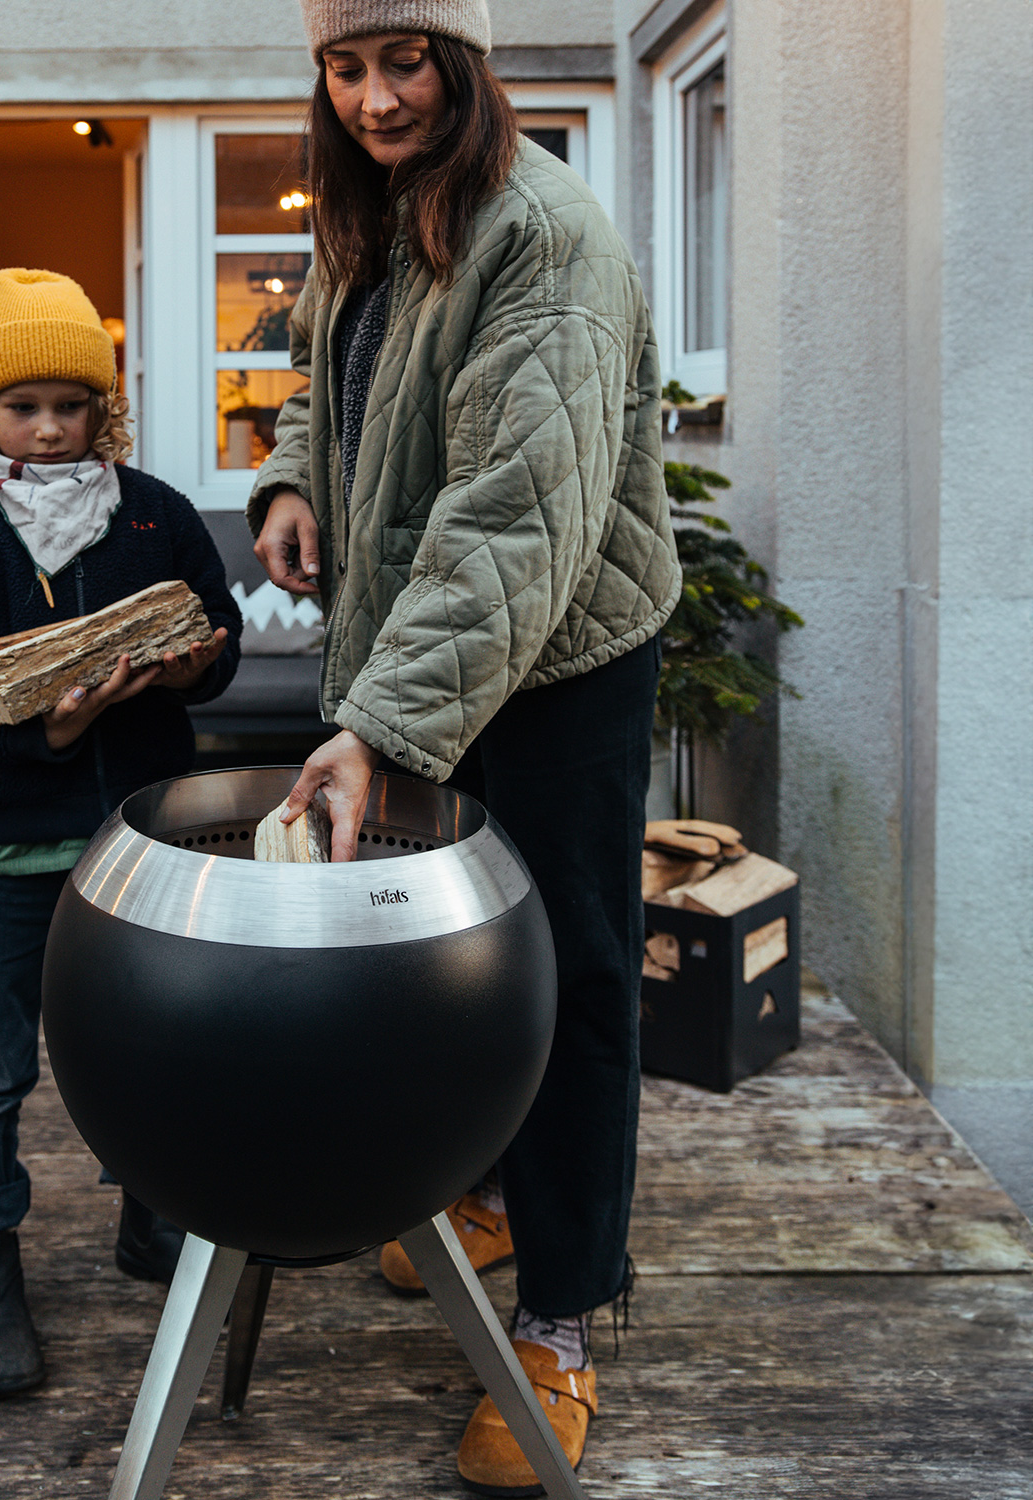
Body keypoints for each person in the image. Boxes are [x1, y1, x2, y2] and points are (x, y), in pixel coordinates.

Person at [251, 4, 680, 1492]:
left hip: (561, 656)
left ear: (468, 60)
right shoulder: (372, 209)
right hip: (435, 653)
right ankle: (489, 1188)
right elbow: (332, 369)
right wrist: (296, 478)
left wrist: (376, 723)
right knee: (449, 952)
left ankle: (562, 1320)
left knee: (568, 973)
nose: (374, 98)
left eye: (405, 60)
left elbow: (513, 519)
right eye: (344, 66)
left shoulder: (543, 235)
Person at [0, 268, 242, 1398]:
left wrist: (197, 660)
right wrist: (47, 727)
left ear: (106, 412)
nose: (48, 430)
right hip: (14, 849)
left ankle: (151, 1218)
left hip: (142, 842)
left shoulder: (154, 513)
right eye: (22, 407)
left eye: (72, 406)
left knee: (152, 1040)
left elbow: (217, 629)